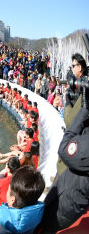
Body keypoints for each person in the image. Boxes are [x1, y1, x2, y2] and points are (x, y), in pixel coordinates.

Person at [37, 86, 89, 232]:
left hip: (67, 202)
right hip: (70, 192)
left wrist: (84, 110)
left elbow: (64, 149)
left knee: (46, 226)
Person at [64, 53, 88, 128]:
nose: (72, 68)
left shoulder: (85, 88)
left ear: (80, 67)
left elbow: (69, 122)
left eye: (73, 66)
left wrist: (67, 101)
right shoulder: (78, 86)